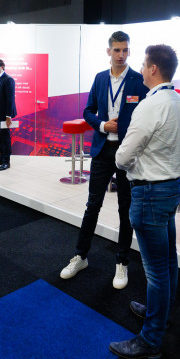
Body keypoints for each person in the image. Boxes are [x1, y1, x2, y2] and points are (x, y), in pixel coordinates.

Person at [110, 44, 180, 359]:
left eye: (144, 65)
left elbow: (122, 156)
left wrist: (135, 160)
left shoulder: (150, 105)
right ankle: (160, 313)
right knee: (167, 260)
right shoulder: (179, 102)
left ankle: (151, 340)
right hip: (171, 187)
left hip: (150, 193)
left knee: (156, 271)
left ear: (153, 69)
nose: (141, 69)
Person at [59, 31, 149, 290]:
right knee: (92, 205)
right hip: (101, 151)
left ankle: (122, 261)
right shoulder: (100, 78)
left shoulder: (138, 80)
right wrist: (102, 125)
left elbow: (145, 114)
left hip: (127, 153)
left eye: (125, 50)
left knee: (125, 209)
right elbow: (88, 110)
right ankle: (80, 256)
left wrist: (129, 132)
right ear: (108, 51)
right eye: (117, 50)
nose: (121, 55)